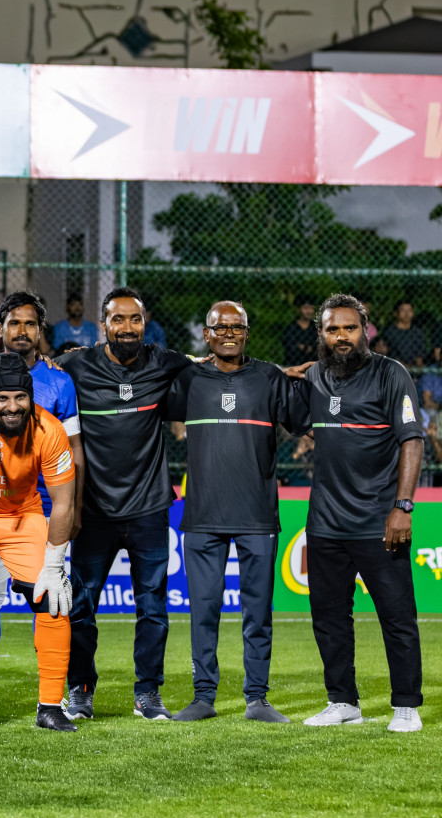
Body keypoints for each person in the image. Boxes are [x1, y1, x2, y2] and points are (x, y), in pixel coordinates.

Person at [54, 287, 191, 721]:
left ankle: (147, 694)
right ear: (104, 324)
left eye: (135, 319)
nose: (127, 327)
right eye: (118, 319)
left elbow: (219, 368)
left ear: (144, 323)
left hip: (150, 508)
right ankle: (80, 690)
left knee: (153, 605)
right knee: (81, 606)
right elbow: (29, 373)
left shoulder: (164, 362)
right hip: (93, 511)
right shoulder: (76, 364)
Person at [288, 294, 424, 732]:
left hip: (379, 521)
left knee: (397, 615)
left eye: (349, 328)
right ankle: (342, 701)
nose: (341, 336)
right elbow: (286, 414)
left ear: (365, 329)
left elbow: (412, 441)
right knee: (328, 616)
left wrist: (402, 506)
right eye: (332, 329)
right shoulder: (314, 378)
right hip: (325, 523)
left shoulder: (391, 374)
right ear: (321, 335)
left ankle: (406, 705)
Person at [167, 301, 306, 723]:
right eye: (219, 327)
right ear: (205, 335)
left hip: (257, 515)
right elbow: (153, 410)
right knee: (203, 610)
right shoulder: (188, 378)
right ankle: (203, 697)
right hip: (204, 514)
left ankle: (257, 698)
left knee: (257, 612)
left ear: (247, 333)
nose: (228, 333)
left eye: (237, 327)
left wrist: (302, 378)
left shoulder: (268, 377)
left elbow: (300, 422)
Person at [0, 292, 83, 720]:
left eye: (31, 324)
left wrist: (56, 555)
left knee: (53, 596)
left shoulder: (56, 392)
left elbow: (70, 469)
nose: (11, 406)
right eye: (14, 323)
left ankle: (50, 704)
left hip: (32, 513)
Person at [376, 300, 428, 368]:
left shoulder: (417, 332)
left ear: (413, 313)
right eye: (403, 310)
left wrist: (418, 366)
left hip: (415, 369)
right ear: (396, 313)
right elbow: (390, 355)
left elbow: (419, 357)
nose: (406, 314)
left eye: (409, 310)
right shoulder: (389, 332)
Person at [281, 294, 318, 366]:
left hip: (313, 364)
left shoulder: (315, 328)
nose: (309, 311)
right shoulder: (291, 328)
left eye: (311, 308)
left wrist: (303, 347)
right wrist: (306, 347)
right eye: (305, 308)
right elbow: (289, 347)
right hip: (294, 365)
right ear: (298, 309)